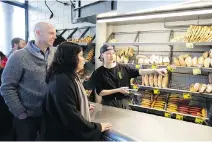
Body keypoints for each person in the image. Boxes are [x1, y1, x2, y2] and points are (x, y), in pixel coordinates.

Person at [42, 42, 112, 141]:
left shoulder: (68, 76)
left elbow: (67, 102)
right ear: (71, 58)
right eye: (81, 56)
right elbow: (71, 117)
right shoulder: (62, 81)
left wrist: (83, 105)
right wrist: (98, 127)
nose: (84, 59)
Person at [0, 22, 56, 141]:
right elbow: (7, 87)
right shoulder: (18, 56)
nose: (55, 36)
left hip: (48, 115)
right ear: (38, 33)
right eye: (51, 33)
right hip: (26, 118)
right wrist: (20, 112)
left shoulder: (54, 54)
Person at [92, 45, 167, 109]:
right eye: (108, 53)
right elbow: (100, 92)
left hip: (123, 102)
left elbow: (139, 71)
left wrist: (155, 70)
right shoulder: (99, 72)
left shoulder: (123, 67)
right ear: (102, 55)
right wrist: (118, 90)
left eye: (113, 53)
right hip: (108, 103)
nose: (112, 56)